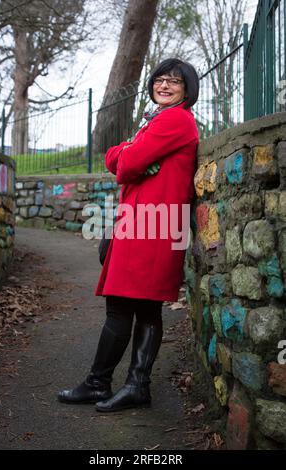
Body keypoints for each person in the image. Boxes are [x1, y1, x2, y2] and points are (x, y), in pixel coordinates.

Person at [58, 58, 200, 412]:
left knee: (127, 305)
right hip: (145, 224)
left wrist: (129, 156)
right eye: (160, 80)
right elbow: (117, 159)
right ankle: (116, 384)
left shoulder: (174, 120)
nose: (164, 86)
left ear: (187, 89)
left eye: (174, 82)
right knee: (137, 306)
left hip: (154, 226)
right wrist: (128, 154)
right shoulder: (156, 120)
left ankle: (116, 385)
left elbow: (127, 166)